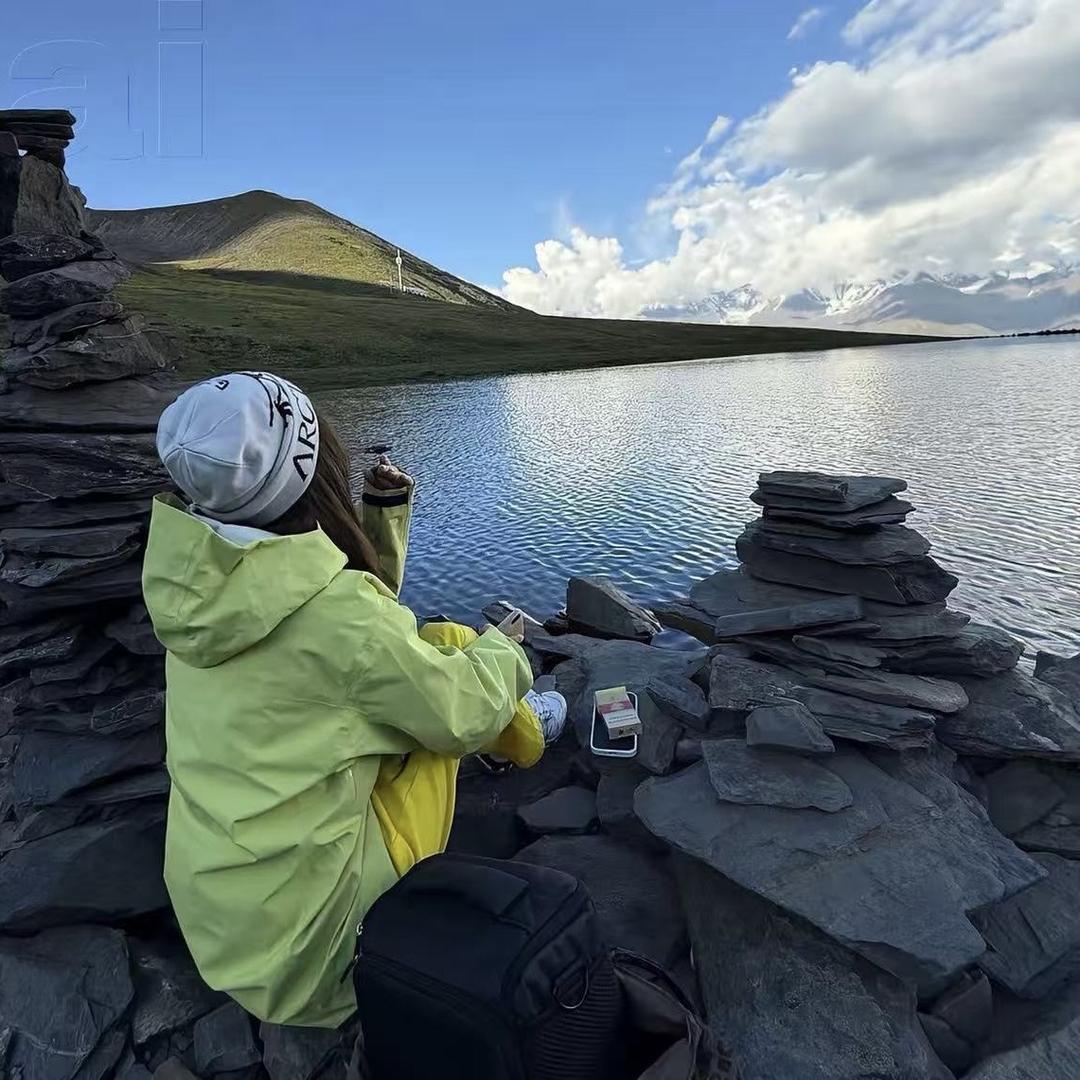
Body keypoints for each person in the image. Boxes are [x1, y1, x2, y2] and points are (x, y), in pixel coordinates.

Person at [142, 370, 567, 1029]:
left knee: (438, 648)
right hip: (315, 960)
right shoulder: (339, 621)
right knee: (458, 679)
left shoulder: (198, 582)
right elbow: (447, 708)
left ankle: (515, 728)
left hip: (226, 930)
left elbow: (351, 632)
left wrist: (383, 518)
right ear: (310, 470)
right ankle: (529, 736)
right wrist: (508, 647)